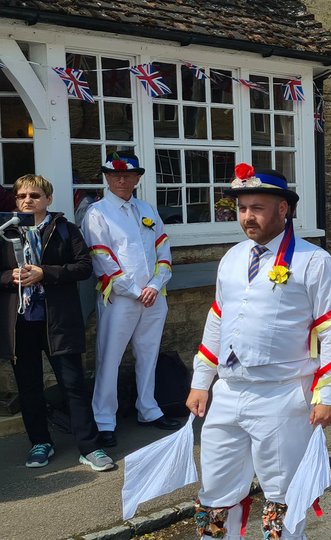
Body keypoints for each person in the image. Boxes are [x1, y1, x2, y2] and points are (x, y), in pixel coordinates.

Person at [186, 163, 331, 538]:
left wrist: (328, 393)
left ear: (283, 209)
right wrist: (201, 381)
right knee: (215, 489)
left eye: (256, 208)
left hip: (283, 394)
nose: (247, 217)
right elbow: (217, 320)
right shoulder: (231, 258)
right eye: (242, 209)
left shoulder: (314, 261)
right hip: (227, 393)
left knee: (283, 492)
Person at [0, 175, 114, 471]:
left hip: (57, 321)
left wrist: (45, 273)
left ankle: (89, 447)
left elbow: (84, 267)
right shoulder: (4, 232)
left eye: (35, 195)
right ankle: (40, 443)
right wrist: (8, 277)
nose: (28, 200)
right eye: (22, 195)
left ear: (48, 199)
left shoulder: (65, 228)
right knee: (29, 387)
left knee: (73, 385)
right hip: (20, 323)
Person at [81, 151, 180, 448]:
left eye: (128, 175)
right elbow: (102, 257)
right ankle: (104, 419)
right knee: (109, 358)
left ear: (137, 178)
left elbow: (164, 250)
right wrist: (137, 291)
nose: (121, 180)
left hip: (154, 296)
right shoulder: (97, 212)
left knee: (148, 355)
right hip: (120, 299)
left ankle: (148, 409)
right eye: (115, 175)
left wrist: (154, 285)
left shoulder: (147, 208)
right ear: (108, 178)